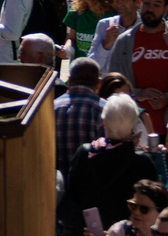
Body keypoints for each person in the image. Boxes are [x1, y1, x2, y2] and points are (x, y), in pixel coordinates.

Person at [105, 0, 168, 138]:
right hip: (133, 131)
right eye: (147, 3)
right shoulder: (124, 41)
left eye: (156, 5)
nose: (150, 9)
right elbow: (112, 84)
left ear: (166, 9)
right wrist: (137, 94)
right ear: (140, 4)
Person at [65, 93, 160, 231]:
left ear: (103, 122)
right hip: (128, 231)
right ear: (133, 126)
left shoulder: (85, 153)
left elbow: (73, 195)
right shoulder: (143, 162)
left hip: (89, 229)